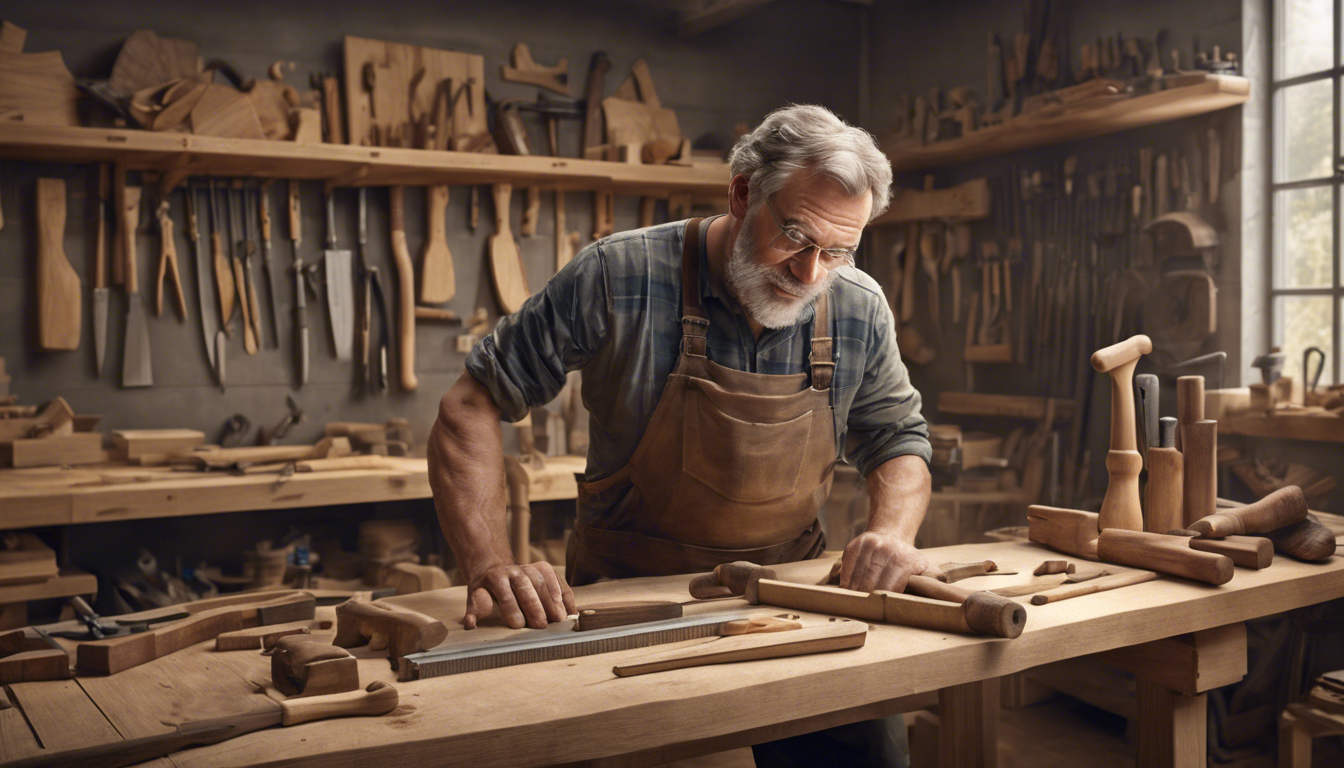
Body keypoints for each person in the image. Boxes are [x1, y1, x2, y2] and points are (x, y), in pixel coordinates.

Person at [429, 104, 932, 767]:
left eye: (837, 251)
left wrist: (892, 535)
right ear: (742, 192)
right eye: (795, 237)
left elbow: (899, 439)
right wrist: (491, 565)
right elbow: (470, 404)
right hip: (625, 610)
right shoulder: (619, 276)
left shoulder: (859, 306)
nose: (811, 274)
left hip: (796, 601)